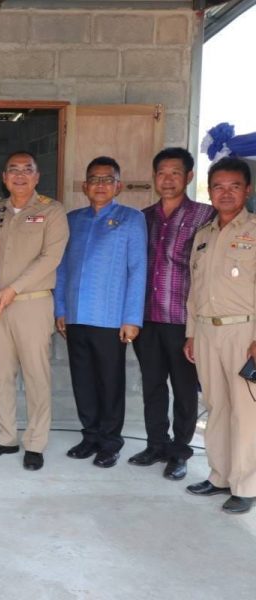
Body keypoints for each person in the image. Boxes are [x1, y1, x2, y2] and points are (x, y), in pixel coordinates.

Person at [0, 151, 69, 471]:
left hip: (32, 303)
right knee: (0, 375)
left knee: (36, 376)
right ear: (4, 178)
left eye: (27, 170)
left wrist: (14, 288)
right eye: (13, 170)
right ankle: (5, 436)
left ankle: (35, 442)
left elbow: (50, 258)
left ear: (37, 176)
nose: (20, 175)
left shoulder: (52, 211)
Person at [54, 156, 147, 469]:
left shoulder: (131, 219)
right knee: (82, 380)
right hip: (76, 315)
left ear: (118, 186)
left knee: (110, 382)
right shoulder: (73, 220)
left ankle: (110, 442)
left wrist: (131, 318)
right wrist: (61, 308)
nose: (101, 185)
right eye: (94, 179)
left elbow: (137, 269)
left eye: (108, 179)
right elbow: (62, 268)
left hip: (110, 317)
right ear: (85, 186)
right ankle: (90, 436)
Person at [129, 148, 215, 481]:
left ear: (189, 177)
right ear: (154, 177)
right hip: (148, 316)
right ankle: (156, 444)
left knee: (184, 388)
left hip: (183, 319)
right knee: (152, 385)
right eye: (162, 173)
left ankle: (180, 451)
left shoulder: (205, 215)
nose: (168, 179)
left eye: (175, 173)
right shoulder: (144, 217)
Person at [184, 157, 256, 514]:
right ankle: (220, 477)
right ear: (209, 191)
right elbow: (194, 291)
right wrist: (191, 334)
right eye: (218, 187)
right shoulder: (204, 235)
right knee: (217, 408)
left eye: (234, 186)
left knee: (246, 412)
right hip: (206, 332)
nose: (225, 193)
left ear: (248, 190)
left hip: (244, 333)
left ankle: (246, 486)